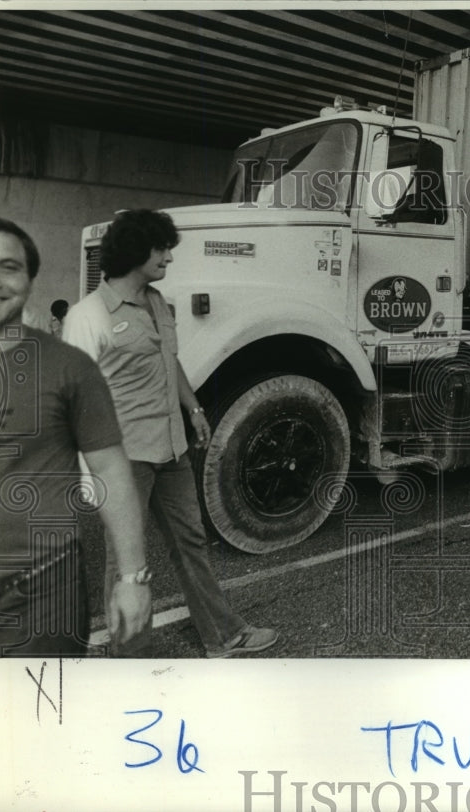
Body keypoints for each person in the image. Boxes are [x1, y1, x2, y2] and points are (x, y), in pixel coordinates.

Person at [63, 209, 278, 658]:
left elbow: (170, 360)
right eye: (161, 249)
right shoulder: (89, 315)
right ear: (135, 250)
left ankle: (223, 636)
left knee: (191, 543)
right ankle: (129, 659)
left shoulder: (158, 301)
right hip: (123, 459)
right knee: (126, 564)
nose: (168, 258)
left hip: (172, 450)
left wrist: (192, 407)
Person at [0, 217, 151, 657]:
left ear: (29, 280)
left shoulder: (69, 368)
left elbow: (111, 471)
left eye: (8, 266)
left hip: (42, 591)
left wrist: (132, 579)